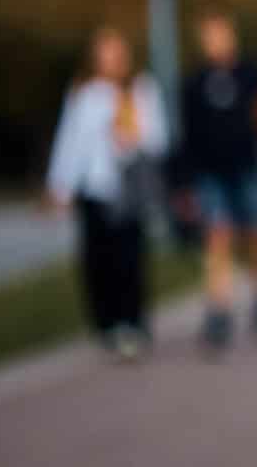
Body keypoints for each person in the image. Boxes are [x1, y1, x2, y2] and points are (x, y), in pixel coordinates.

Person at [45, 26, 168, 361]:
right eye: (105, 52)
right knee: (97, 260)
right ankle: (107, 325)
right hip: (95, 188)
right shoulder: (84, 93)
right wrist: (60, 184)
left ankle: (133, 323)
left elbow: (158, 139)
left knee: (129, 258)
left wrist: (133, 136)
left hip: (128, 189)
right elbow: (70, 141)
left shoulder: (141, 90)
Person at [178, 3, 257, 354]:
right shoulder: (194, 83)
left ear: (231, 34)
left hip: (249, 168)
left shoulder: (254, 75)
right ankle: (219, 310)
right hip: (211, 173)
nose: (214, 41)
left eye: (219, 33)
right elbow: (187, 137)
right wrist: (183, 182)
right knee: (217, 237)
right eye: (208, 35)